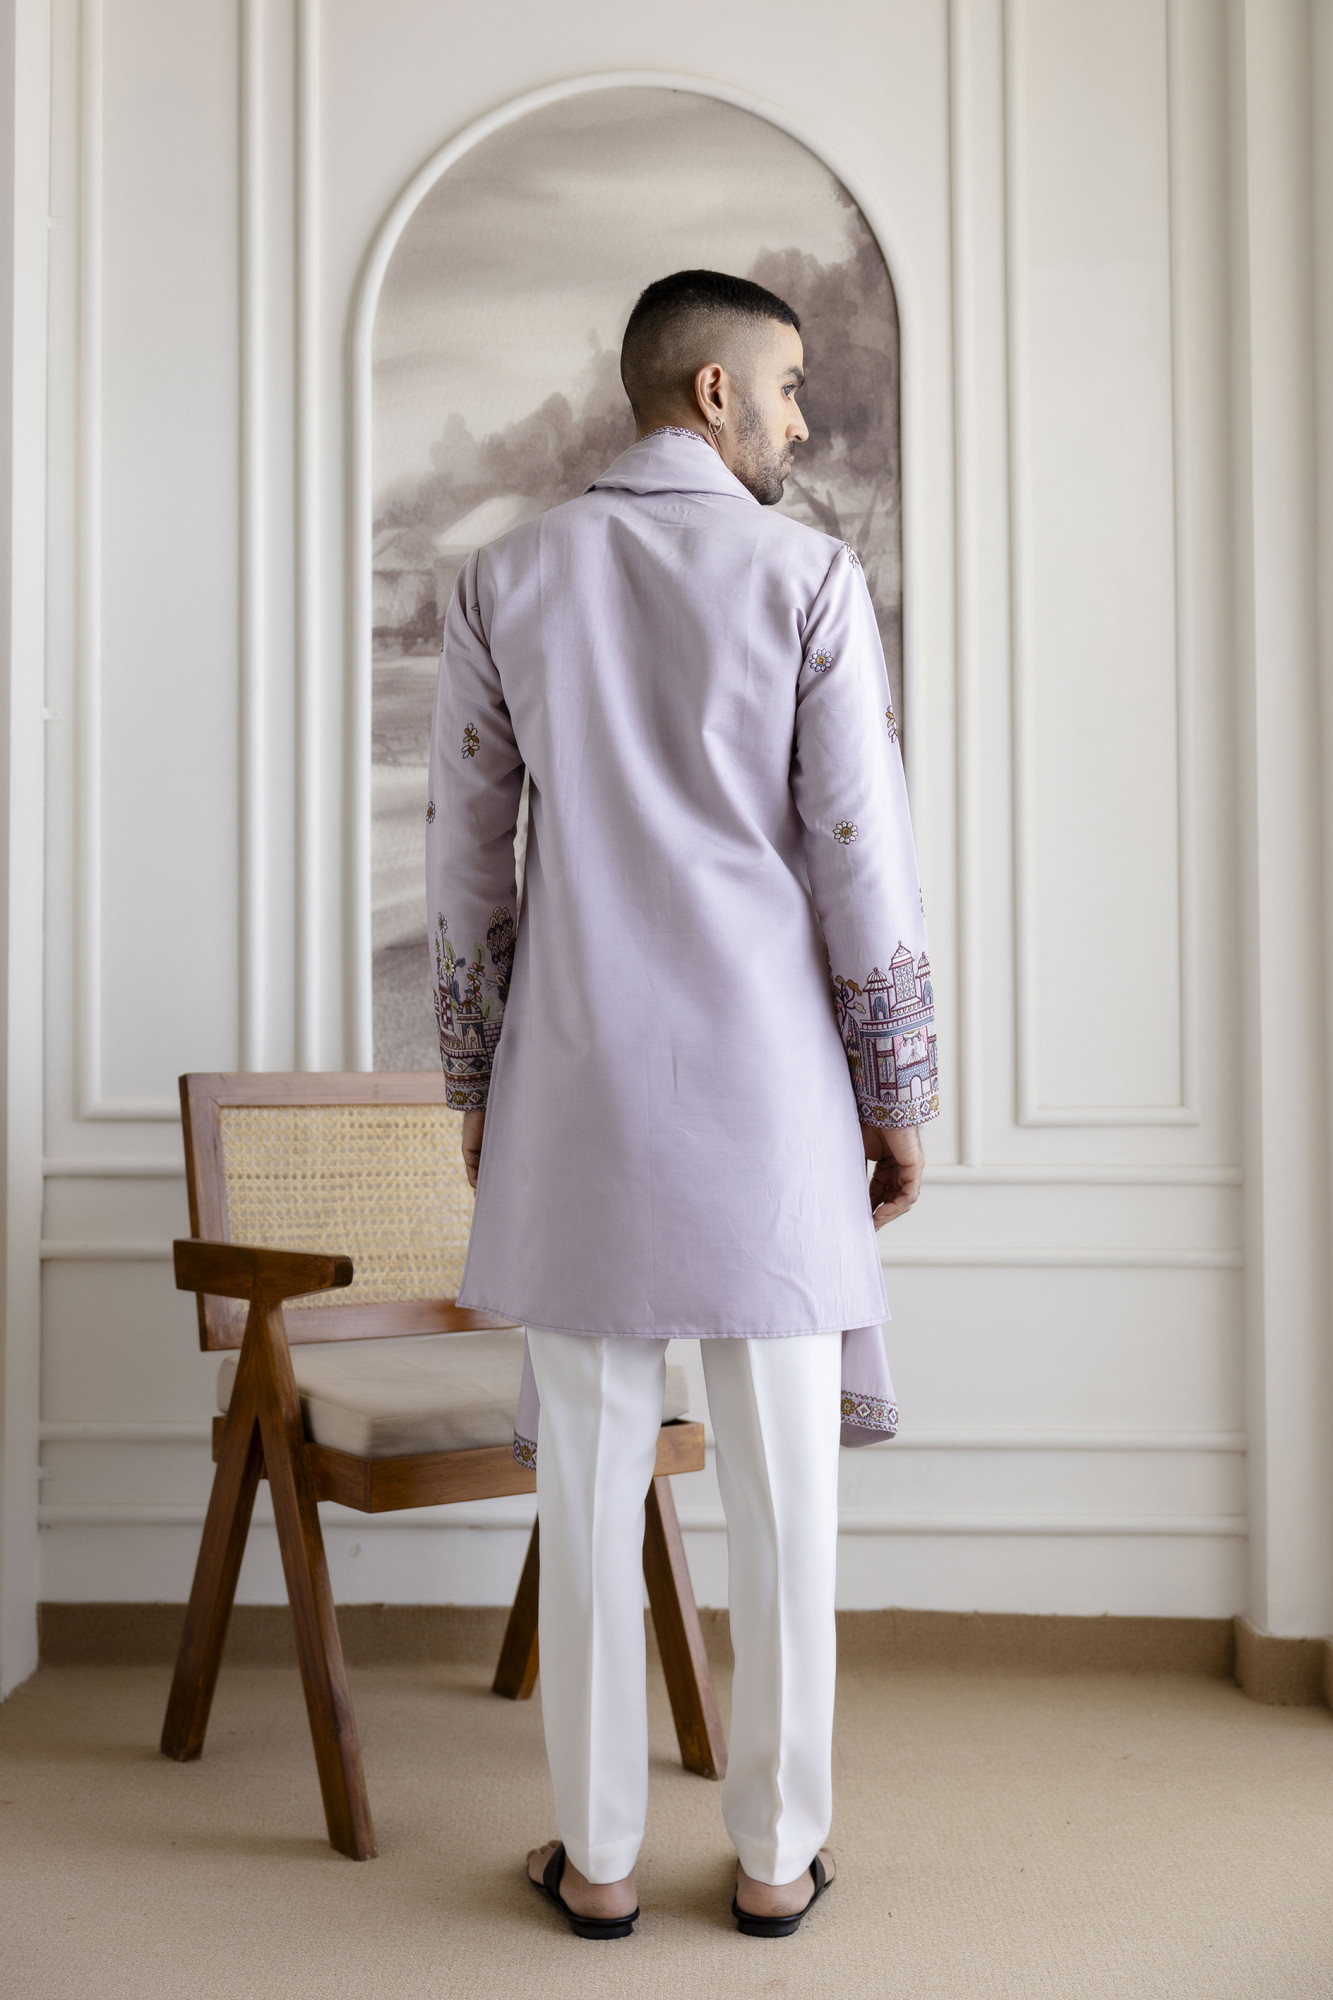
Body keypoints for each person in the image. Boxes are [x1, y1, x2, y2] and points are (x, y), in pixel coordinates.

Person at [425, 268, 937, 1939]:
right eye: (786, 389)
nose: (802, 419)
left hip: (573, 1106)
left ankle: (598, 1862)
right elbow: (856, 862)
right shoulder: (803, 577)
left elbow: (465, 878)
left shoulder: (506, 576)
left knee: (586, 1496)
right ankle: (779, 1859)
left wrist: (472, 1088)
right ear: (709, 392)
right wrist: (898, 1088)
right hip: (773, 1103)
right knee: (788, 1500)